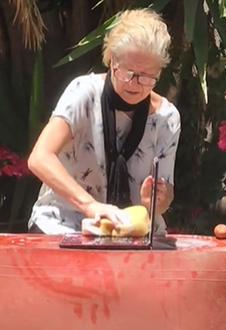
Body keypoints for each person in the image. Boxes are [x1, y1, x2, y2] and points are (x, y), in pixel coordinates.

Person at [27, 9, 181, 234]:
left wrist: (157, 200)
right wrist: (90, 206)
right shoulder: (83, 92)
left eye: (147, 76)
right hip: (64, 225)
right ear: (111, 61)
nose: (135, 84)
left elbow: (164, 199)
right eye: (128, 72)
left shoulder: (168, 117)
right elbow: (40, 157)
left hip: (132, 232)